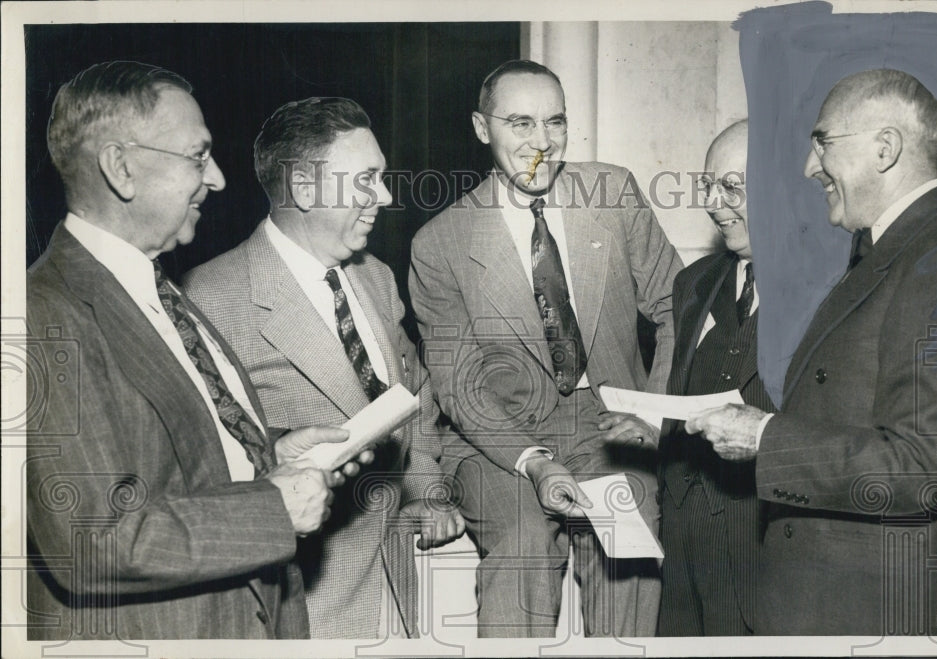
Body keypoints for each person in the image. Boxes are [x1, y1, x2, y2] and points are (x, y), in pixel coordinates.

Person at [26, 61, 366, 640]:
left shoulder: (158, 288)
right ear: (122, 168)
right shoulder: (41, 312)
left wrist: (275, 449)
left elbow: (170, 455)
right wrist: (272, 509)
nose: (219, 179)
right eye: (197, 155)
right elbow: (92, 535)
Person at [686, 69, 937, 635]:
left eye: (823, 142)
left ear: (885, 148)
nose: (809, 167)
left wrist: (763, 437)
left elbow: (922, 467)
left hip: (867, 611)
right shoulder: (898, 247)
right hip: (827, 599)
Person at [408, 59, 683, 637]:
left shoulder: (612, 192)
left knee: (629, 549)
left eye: (554, 123)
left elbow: (675, 308)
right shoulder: (441, 243)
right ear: (482, 128)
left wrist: (650, 413)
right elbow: (459, 385)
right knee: (523, 547)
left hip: (609, 420)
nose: (541, 144)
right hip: (497, 434)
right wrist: (533, 461)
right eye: (520, 123)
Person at [184, 96, 465, 639]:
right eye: (366, 180)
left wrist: (426, 490)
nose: (383, 197)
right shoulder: (211, 297)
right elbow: (203, 466)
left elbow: (417, 392)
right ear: (305, 189)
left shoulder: (377, 277)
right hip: (306, 607)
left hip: (400, 592)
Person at [653, 119, 775, 635]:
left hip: (762, 553)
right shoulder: (693, 283)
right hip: (684, 556)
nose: (713, 203)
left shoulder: (836, 289)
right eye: (708, 185)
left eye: (732, 187)